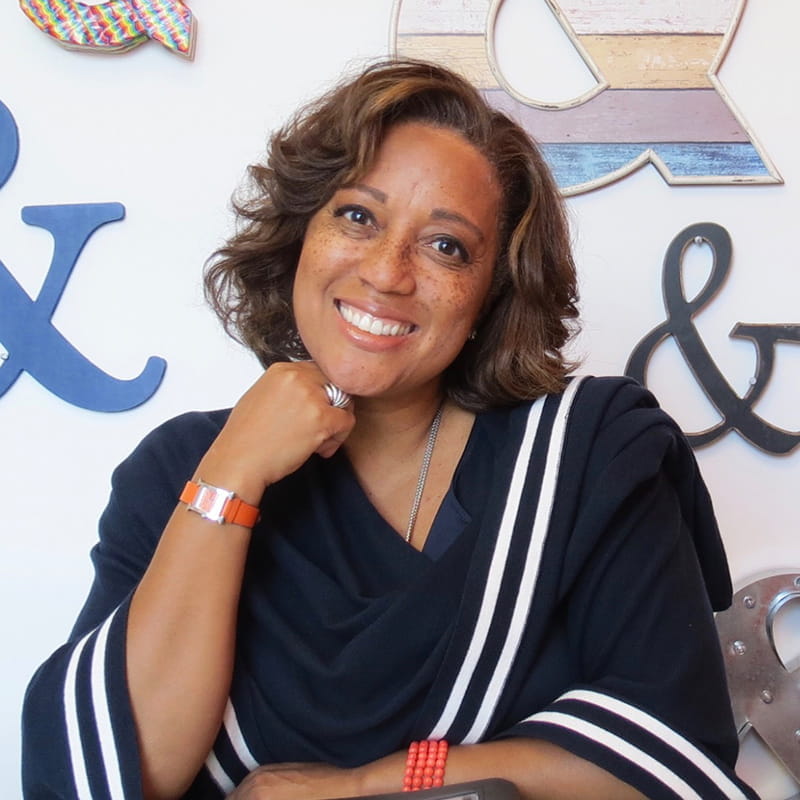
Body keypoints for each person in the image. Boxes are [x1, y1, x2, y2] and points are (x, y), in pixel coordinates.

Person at [21, 59, 757, 800]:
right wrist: (231, 476)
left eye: (446, 246)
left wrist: (363, 786)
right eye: (357, 217)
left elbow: (672, 759)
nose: (387, 272)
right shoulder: (182, 468)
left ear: (491, 294)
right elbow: (108, 773)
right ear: (299, 236)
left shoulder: (586, 457)